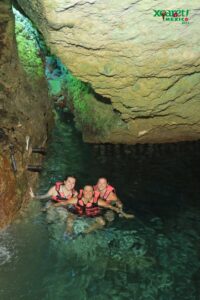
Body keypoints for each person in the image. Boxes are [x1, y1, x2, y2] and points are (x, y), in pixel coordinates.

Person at [55, 185, 123, 235]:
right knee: (70, 219)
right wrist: (53, 206)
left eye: (90, 191)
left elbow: (109, 205)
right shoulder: (77, 199)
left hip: (91, 214)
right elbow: (65, 202)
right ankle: (68, 233)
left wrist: (119, 211)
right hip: (78, 213)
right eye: (86, 191)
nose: (88, 193)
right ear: (83, 192)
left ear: (93, 192)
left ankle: (85, 232)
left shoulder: (98, 201)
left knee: (102, 222)